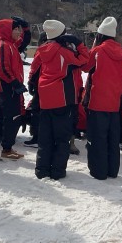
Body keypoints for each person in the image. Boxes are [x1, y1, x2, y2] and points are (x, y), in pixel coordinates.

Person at [30, 19, 90, 180]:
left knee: (45, 137)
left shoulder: (41, 50)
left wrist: (31, 85)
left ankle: (41, 169)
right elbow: (84, 60)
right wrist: (79, 44)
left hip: (45, 98)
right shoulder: (64, 52)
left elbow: (34, 69)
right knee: (62, 138)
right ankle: (57, 171)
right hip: (63, 98)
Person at [82, 17, 122, 180]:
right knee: (112, 138)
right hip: (115, 100)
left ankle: (98, 171)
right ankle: (112, 170)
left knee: (97, 137)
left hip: (97, 100)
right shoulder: (120, 51)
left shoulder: (98, 50)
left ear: (100, 35)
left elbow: (85, 67)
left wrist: (93, 47)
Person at [0, 16, 31, 161]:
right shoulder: (4, 46)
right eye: (16, 29)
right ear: (7, 31)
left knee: (1, 117)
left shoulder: (11, 44)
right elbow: (2, 69)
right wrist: (15, 83)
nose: (18, 32)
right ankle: (7, 149)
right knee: (12, 119)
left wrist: (26, 28)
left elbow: (24, 41)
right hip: (8, 88)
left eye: (19, 29)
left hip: (8, 87)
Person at [23, 31, 48, 147]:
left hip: (40, 84)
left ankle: (37, 137)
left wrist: (31, 82)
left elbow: (34, 68)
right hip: (55, 86)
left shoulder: (42, 50)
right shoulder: (61, 49)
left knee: (36, 110)